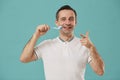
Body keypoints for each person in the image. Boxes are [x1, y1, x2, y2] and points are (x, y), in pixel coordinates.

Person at [20, 5, 105, 80]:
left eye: (71, 19)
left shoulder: (85, 45)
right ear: (57, 23)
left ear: (76, 22)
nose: (67, 22)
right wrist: (36, 35)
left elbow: (100, 71)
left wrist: (91, 47)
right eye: (63, 19)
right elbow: (24, 58)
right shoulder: (47, 44)